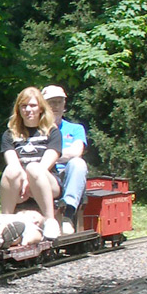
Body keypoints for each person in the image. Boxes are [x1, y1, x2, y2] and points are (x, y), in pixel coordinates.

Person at [0, 86, 63, 240]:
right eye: (24, 106)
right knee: (12, 170)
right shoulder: (9, 135)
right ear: (18, 109)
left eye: (32, 105)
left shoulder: (52, 132)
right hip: (21, 185)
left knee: (34, 168)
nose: (28, 109)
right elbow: (12, 163)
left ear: (41, 108)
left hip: (48, 182)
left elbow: (46, 163)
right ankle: (5, 221)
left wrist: (28, 181)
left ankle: (50, 220)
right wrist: (24, 182)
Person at [42, 85, 88, 235]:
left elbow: (77, 152)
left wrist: (50, 155)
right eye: (51, 102)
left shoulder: (75, 129)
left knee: (78, 163)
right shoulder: (36, 131)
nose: (55, 106)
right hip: (47, 177)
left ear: (64, 105)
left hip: (67, 177)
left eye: (59, 102)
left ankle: (68, 214)